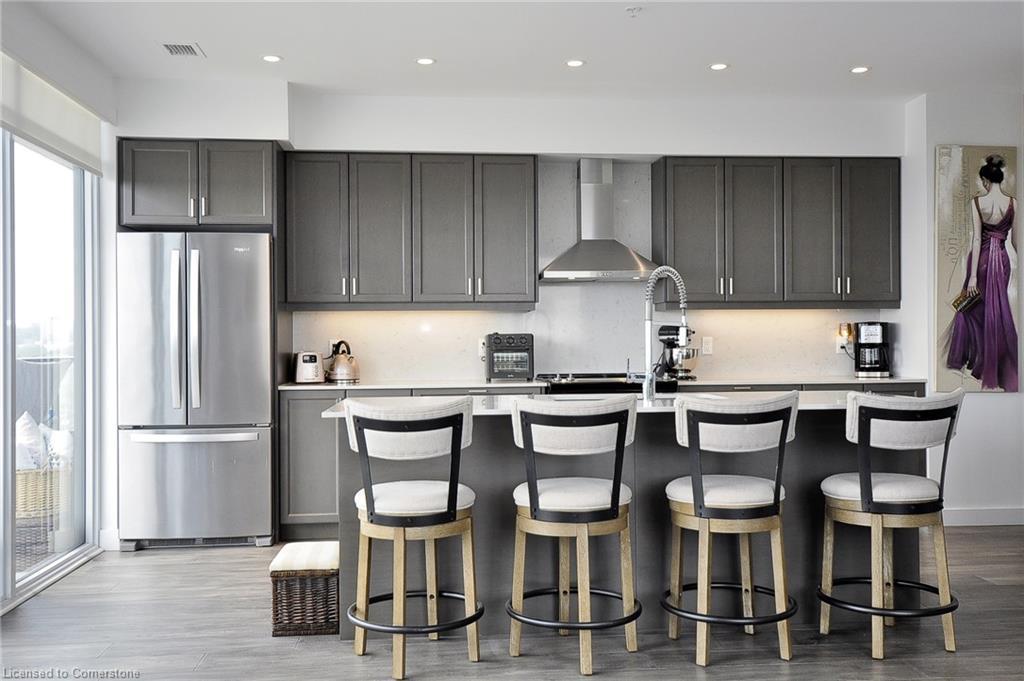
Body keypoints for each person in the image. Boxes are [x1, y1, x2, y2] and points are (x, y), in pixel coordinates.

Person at [946, 154, 1019, 391]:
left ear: (986, 180)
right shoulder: (1013, 203)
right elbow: (1016, 241)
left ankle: (977, 359)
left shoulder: (977, 202)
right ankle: (992, 362)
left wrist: (973, 276)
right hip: (1003, 262)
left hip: (982, 261)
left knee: (972, 308)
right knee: (996, 310)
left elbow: (977, 239)